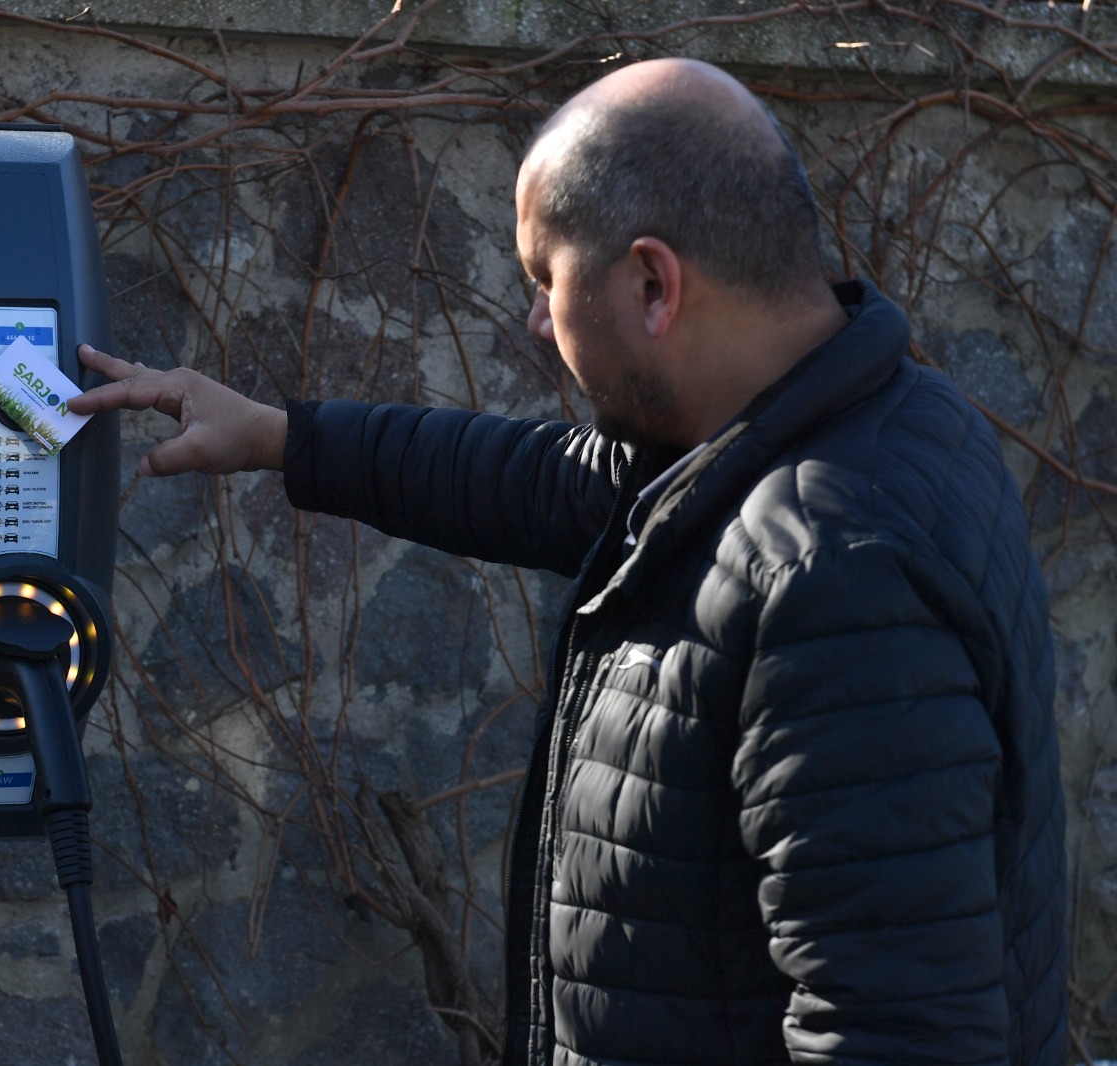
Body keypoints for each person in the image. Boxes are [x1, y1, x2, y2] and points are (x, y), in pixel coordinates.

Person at [67, 58, 1067, 1065]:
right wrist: (279, 437)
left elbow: (896, 1031)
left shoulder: (834, 579)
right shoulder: (845, 427)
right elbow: (543, 481)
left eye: (546, 278)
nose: (537, 321)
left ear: (651, 284)